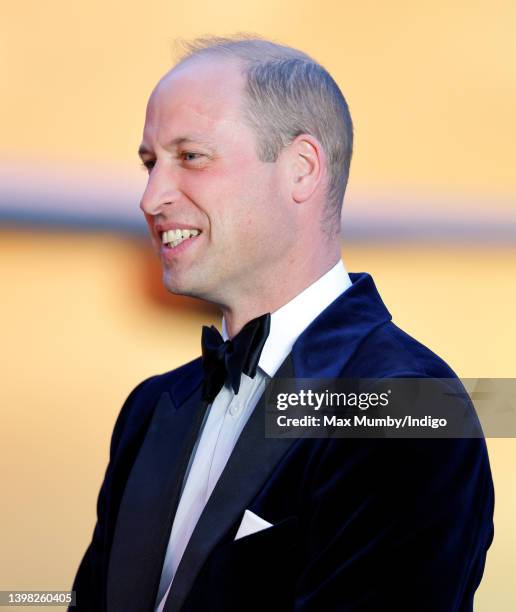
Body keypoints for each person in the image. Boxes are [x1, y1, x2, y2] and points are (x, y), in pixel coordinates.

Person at [70, 36, 494, 611]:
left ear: (301, 170)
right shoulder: (151, 409)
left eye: (190, 157)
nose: (151, 197)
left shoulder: (411, 404)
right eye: (149, 164)